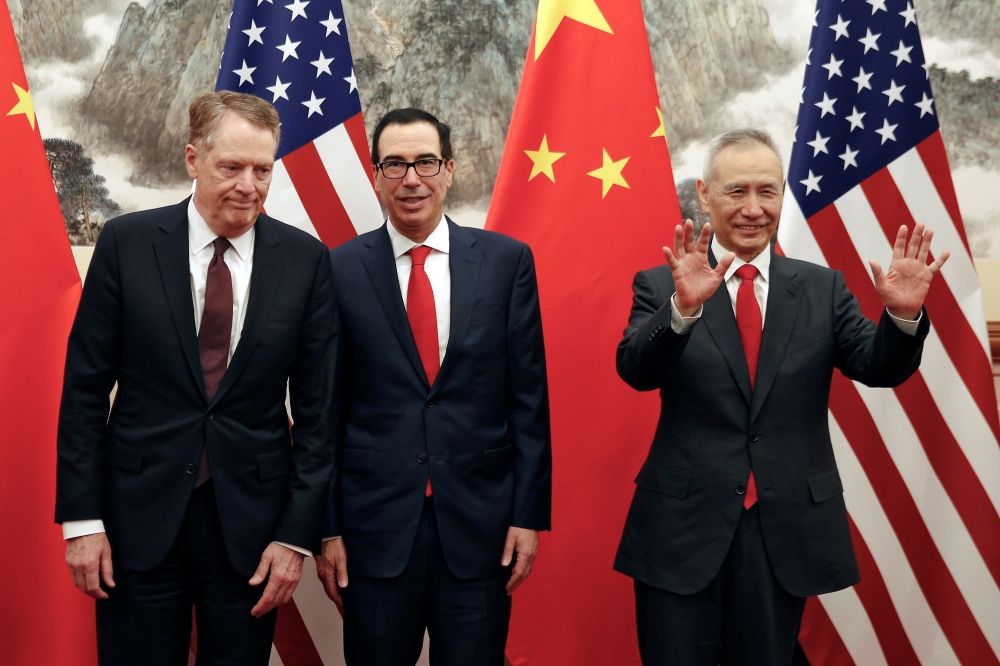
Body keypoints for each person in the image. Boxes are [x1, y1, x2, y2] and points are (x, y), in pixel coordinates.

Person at [614, 129, 949, 664]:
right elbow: (636, 370)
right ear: (704, 194)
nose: (754, 209)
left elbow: (878, 366)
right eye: (737, 191)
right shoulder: (662, 285)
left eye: (767, 191)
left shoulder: (822, 288)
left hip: (782, 532)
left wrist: (902, 317)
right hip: (681, 531)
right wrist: (683, 311)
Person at [55, 91, 337, 665]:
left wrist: (294, 536)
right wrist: (82, 521)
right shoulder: (127, 244)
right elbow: (84, 391)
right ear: (192, 159)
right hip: (136, 521)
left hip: (251, 531)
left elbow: (319, 414)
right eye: (231, 167)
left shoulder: (306, 261)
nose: (249, 186)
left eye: (262, 170)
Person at [314, 108, 552, 665]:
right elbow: (324, 411)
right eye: (394, 165)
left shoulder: (506, 263)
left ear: (448, 169)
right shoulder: (339, 270)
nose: (411, 179)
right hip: (373, 532)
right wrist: (327, 528)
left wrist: (527, 516)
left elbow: (529, 401)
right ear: (376, 176)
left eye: (425, 162)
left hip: (480, 529)